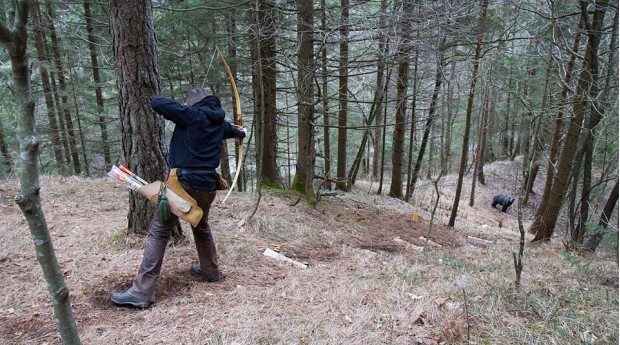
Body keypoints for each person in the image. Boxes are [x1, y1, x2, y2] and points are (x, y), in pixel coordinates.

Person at [111, 88, 246, 308]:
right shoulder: (219, 123)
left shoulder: (191, 115)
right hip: (208, 185)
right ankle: (210, 271)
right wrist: (242, 132)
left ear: (191, 105)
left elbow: (157, 102)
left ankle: (141, 292)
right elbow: (237, 131)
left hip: (184, 184)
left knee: (159, 232)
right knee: (201, 226)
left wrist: (184, 109)